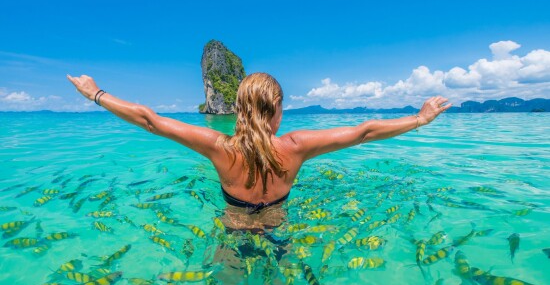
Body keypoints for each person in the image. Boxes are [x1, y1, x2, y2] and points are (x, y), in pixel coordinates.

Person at [67, 72, 451, 230]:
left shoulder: (220, 147)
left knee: (229, 277)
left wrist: (95, 94)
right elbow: (364, 131)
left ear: (239, 108)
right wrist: (419, 119)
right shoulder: (297, 147)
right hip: (276, 222)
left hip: (234, 224)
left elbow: (149, 120)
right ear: (278, 108)